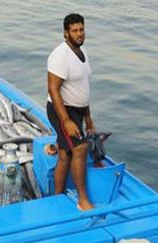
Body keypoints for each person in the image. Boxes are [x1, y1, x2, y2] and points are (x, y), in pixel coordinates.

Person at [46, 13, 95, 211]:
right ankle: (83, 201)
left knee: (66, 154)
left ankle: (56, 197)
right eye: (74, 31)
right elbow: (53, 89)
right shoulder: (60, 55)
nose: (79, 34)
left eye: (81, 29)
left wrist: (88, 118)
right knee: (80, 148)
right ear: (66, 33)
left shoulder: (82, 53)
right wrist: (66, 121)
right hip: (61, 111)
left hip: (77, 110)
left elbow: (82, 87)